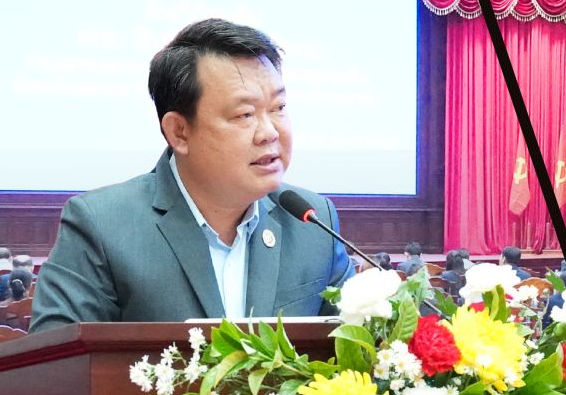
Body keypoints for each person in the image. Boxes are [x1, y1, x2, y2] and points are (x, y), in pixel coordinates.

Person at [31, 19, 353, 330]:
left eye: (278, 108)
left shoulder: (312, 222)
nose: (269, 132)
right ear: (179, 132)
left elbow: (358, 347)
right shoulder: (102, 226)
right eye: (244, 114)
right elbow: (56, 359)